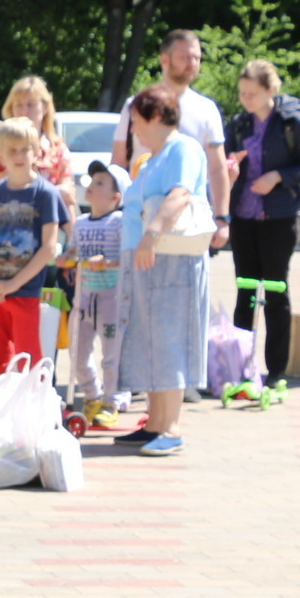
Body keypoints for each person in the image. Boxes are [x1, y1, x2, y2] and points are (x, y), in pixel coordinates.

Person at [113, 87, 208, 457]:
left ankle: (171, 427)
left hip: (170, 260)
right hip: (148, 261)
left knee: (169, 338)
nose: (133, 130)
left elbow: (180, 194)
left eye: (136, 122)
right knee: (150, 339)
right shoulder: (153, 158)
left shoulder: (182, 149)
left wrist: (151, 236)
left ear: (154, 117)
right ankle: (154, 422)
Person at [225, 60, 300, 382]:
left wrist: (278, 176)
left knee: (276, 292)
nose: (246, 99)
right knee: (246, 292)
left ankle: (277, 369)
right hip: (243, 216)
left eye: (252, 93)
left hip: (278, 218)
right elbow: (223, 163)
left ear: (270, 90)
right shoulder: (239, 125)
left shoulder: (292, 123)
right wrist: (230, 167)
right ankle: (240, 368)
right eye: (242, 93)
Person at [109, 30, 229, 246]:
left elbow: (217, 168)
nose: (192, 63)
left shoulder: (207, 109)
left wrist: (222, 218)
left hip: (189, 221)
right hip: (140, 218)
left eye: (197, 58)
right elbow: (118, 163)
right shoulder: (136, 105)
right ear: (164, 60)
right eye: (184, 57)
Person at [0, 117, 66, 376]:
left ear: (36, 151)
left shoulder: (45, 193)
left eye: (25, 149)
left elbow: (48, 247)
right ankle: (2, 411)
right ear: (0, 154)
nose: (19, 155)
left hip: (24, 290)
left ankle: (33, 412)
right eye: (11, 150)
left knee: (28, 358)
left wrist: (13, 284)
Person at [65, 161, 128, 418]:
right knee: (77, 350)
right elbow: (73, 251)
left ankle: (113, 401)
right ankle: (92, 395)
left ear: (116, 197)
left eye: (100, 182)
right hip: (84, 297)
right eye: (92, 181)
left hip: (111, 299)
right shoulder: (80, 223)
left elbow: (128, 259)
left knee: (112, 354)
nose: (91, 186)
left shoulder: (119, 222)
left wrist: (107, 264)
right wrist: (66, 258)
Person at [1, 74, 73, 196]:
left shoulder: (59, 149)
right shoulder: (1, 147)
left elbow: (68, 193)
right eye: (18, 104)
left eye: (31, 104)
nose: (24, 110)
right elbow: (2, 189)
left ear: (45, 108)